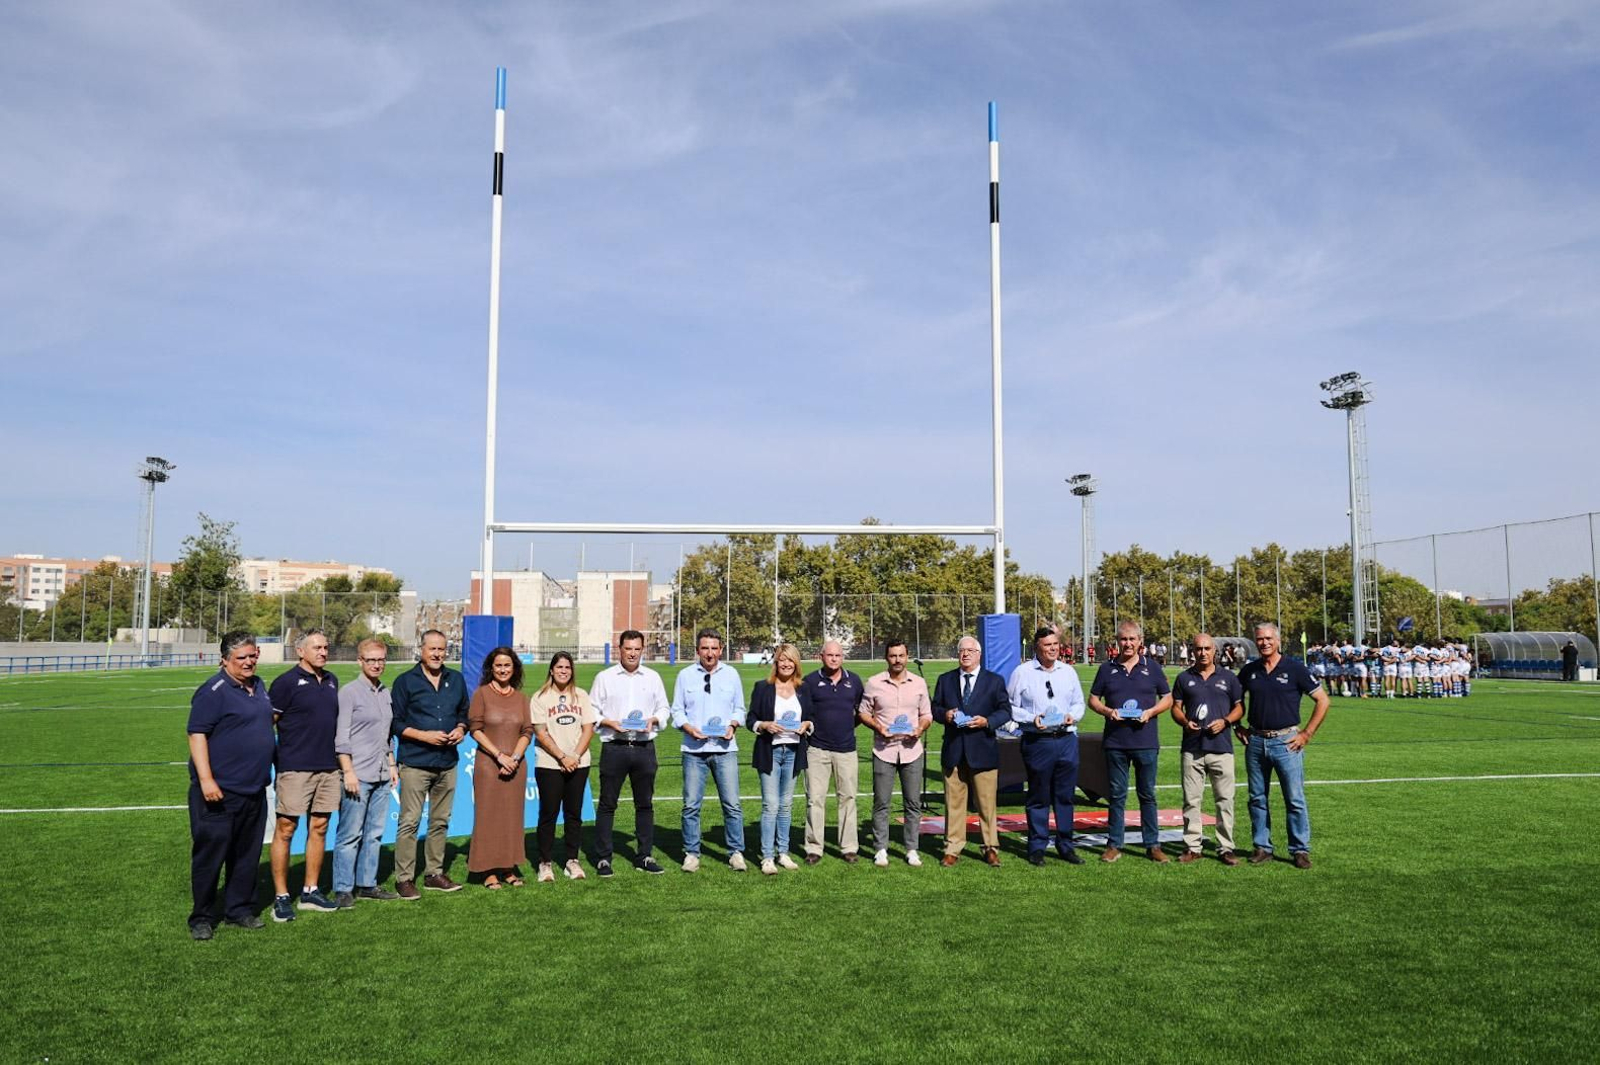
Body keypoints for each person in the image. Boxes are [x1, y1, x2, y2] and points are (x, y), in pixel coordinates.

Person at [186, 632, 276, 939]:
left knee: (246, 855)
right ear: (225, 659)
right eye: (242, 657)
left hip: (254, 789)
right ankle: (202, 917)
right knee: (210, 856)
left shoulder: (259, 686)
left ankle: (239, 910)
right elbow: (197, 734)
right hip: (219, 792)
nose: (249, 662)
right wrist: (207, 779)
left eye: (253, 655)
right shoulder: (213, 691)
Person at [1235, 622, 1330, 869]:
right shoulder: (1249, 670)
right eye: (1260, 639)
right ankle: (1262, 847)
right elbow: (1233, 701)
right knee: (1256, 798)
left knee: (1294, 798)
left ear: (1278, 640)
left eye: (1268, 638)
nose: (1264, 642)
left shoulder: (1295, 668)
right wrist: (1238, 727)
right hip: (1255, 742)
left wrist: (1307, 733)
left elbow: (1322, 700)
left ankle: (1299, 850)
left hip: (1287, 742)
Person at [266, 628, 341, 921]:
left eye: (325, 647)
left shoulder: (332, 681)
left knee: (320, 827)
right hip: (295, 768)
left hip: (327, 768)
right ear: (300, 651)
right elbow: (267, 725)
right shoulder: (285, 683)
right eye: (317, 647)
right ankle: (282, 896)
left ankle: (310, 891)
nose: (323, 652)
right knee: (286, 829)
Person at [390, 628, 470, 899]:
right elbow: (396, 722)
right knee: (409, 822)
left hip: (447, 762)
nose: (437, 654)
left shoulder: (456, 679)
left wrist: (461, 729)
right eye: (432, 649)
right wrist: (424, 736)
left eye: (441, 649)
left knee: (440, 821)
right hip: (415, 762)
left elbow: (464, 713)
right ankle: (404, 878)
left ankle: (434, 873)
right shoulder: (405, 682)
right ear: (421, 650)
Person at [1089, 621, 1173, 863]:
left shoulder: (1153, 668)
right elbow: (1093, 699)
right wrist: (1108, 712)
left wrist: (1151, 712)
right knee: (1116, 795)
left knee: (1147, 794)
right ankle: (1114, 844)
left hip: (1146, 742)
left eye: (1132, 639)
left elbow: (1167, 698)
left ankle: (1153, 845)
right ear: (1117, 642)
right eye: (1123, 639)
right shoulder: (1107, 668)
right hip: (1116, 742)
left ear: (1140, 641)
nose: (1127, 644)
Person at [590, 628, 671, 876]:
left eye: (637, 649)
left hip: (645, 748)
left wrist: (655, 719)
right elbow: (591, 710)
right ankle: (604, 859)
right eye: (628, 649)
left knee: (644, 805)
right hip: (614, 747)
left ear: (642, 650)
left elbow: (665, 708)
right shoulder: (604, 677)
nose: (632, 654)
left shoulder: (653, 677)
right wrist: (608, 722)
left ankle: (644, 856)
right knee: (607, 804)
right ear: (619, 649)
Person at [1007, 626, 1087, 866]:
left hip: (1066, 740)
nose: (1053, 649)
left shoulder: (1068, 672)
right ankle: (1037, 847)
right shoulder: (1022, 672)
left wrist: (1073, 716)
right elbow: (1009, 706)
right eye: (1047, 645)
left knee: (1065, 797)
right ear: (1037, 648)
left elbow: (1079, 703)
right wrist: (1032, 718)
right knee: (1039, 796)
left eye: (1055, 644)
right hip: (1038, 742)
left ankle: (1065, 845)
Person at [930, 636, 1012, 866]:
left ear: (979, 654)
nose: (965, 654)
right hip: (954, 750)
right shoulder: (945, 680)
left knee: (986, 804)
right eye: (962, 650)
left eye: (970, 650)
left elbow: (1005, 710)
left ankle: (990, 847)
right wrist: (944, 715)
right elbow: (934, 707)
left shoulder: (994, 681)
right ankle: (953, 848)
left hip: (983, 750)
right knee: (954, 803)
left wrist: (987, 721)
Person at [670, 629, 747, 872]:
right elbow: (676, 711)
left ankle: (735, 852)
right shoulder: (685, 675)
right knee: (691, 805)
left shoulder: (732, 674)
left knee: (732, 804)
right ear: (697, 651)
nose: (710, 653)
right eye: (705, 648)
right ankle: (692, 853)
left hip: (724, 749)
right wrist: (689, 728)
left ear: (721, 650)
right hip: (694, 750)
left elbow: (740, 709)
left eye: (714, 648)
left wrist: (733, 725)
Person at [332, 638, 399, 907]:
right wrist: (347, 771)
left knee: (374, 833)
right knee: (350, 834)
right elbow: (341, 737)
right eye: (370, 659)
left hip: (382, 772)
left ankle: (367, 883)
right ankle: (343, 888)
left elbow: (387, 736)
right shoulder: (349, 692)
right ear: (360, 661)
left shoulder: (385, 692)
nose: (376, 664)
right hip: (357, 772)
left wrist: (392, 765)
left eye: (380, 659)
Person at [1169, 634, 1243, 864]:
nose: (1202, 652)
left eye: (1207, 648)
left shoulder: (1229, 678)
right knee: (1191, 800)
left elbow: (1240, 708)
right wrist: (1184, 722)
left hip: (1222, 747)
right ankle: (1193, 846)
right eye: (1198, 648)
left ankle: (1226, 847)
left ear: (1214, 651)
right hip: (1192, 748)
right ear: (1193, 651)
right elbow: (1175, 707)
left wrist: (1225, 722)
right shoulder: (1183, 678)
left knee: (1225, 799)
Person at [859, 639, 932, 868]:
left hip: (912, 751)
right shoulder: (874, 683)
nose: (897, 660)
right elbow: (863, 713)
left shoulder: (919, 683)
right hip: (884, 751)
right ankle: (881, 849)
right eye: (893, 656)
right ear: (886, 658)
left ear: (907, 656)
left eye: (901, 655)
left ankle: (912, 849)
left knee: (913, 803)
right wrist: (878, 727)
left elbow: (926, 714)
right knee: (882, 802)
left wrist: (920, 729)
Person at [468, 646, 534, 889]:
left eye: (507, 665)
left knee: (511, 817)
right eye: (498, 665)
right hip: (489, 765)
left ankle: (508, 868)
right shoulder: (481, 694)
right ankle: (487, 870)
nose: (503, 669)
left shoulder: (521, 698)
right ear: (491, 668)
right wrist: (499, 756)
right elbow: (475, 729)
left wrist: (514, 757)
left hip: (516, 766)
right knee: (488, 817)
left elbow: (527, 731)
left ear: (514, 668)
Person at [746, 643, 814, 874]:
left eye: (790, 660)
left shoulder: (804, 689)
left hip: (794, 752)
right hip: (770, 752)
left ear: (796, 664)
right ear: (776, 662)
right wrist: (763, 725)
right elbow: (750, 719)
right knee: (770, 805)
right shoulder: (763, 687)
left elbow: (811, 718)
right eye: (782, 660)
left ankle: (783, 852)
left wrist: (807, 724)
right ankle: (767, 857)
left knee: (786, 806)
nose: (786, 664)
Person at [530, 651, 597, 882]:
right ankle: (545, 862)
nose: (563, 671)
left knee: (574, 813)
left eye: (567, 667)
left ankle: (571, 860)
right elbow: (540, 732)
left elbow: (589, 728)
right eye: (559, 667)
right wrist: (562, 757)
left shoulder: (581, 695)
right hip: (550, 764)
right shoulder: (540, 697)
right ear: (551, 670)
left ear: (572, 671)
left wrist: (575, 755)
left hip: (578, 763)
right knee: (548, 813)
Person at [800, 640, 866, 864]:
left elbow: (861, 712)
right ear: (821, 657)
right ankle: (814, 848)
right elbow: (804, 713)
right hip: (817, 749)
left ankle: (848, 847)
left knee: (847, 798)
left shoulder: (854, 681)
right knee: (815, 799)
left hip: (846, 750)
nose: (834, 659)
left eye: (838, 655)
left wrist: (846, 727)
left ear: (842, 657)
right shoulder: (809, 681)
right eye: (830, 655)